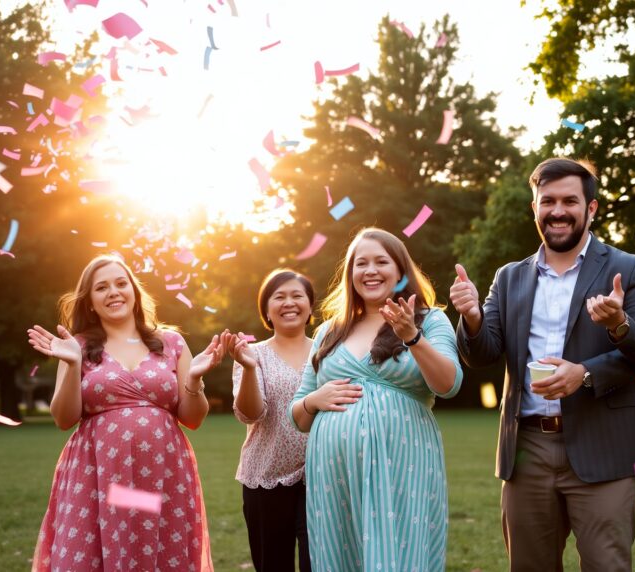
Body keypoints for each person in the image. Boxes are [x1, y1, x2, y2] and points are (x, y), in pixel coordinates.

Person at [450, 157, 635, 571]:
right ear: (534, 207)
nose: (558, 211)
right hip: (526, 450)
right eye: (547, 201)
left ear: (591, 207)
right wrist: (473, 317)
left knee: (607, 566)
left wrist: (612, 334)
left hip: (606, 446)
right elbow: (481, 355)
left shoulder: (629, 268)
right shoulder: (509, 276)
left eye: (570, 200)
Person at [27, 254, 222, 572]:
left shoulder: (171, 342)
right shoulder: (76, 347)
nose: (113, 292)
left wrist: (195, 380)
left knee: (161, 552)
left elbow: (193, 419)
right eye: (101, 287)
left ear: (134, 290)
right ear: (90, 302)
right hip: (96, 476)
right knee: (91, 553)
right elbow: (64, 419)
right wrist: (73, 363)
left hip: (163, 475)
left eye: (121, 283)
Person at [288, 227, 462, 571]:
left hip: (403, 463)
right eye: (361, 263)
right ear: (350, 273)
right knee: (341, 555)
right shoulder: (329, 331)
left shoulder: (429, 320)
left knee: (400, 552)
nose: (370, 271)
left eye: (381, 261)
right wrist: (313, 400)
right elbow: (297, 416)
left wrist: (413, 337)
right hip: (334, 473)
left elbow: (449, 384)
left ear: (400, 270)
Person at [224, 269, 315, 571]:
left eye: (297, 295)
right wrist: (249, 368)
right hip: (266, 478)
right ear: (266, 310)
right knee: (272, 565)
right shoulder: (252, 354)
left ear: (310, 306)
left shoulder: (328, 351)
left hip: (322, 476)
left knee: (320, 563)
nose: (289, 302)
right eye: (279, 297)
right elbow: (251, 413)